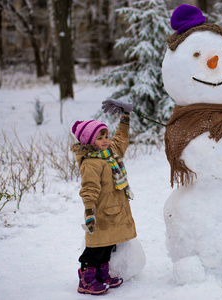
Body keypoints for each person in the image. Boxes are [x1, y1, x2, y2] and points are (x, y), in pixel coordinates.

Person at [71, 99, 136, 294]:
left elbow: (121, 138)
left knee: (108, 246)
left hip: (114, 210)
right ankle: (86, 279)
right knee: (96, 247)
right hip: (100, 212)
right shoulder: (91, 163)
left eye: (106, 136)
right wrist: (89, 212)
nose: (106, 140)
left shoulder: (110, 154)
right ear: (90, 142)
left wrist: (126, 116)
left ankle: (101, 275)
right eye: (100, 138)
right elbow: (89, 189)